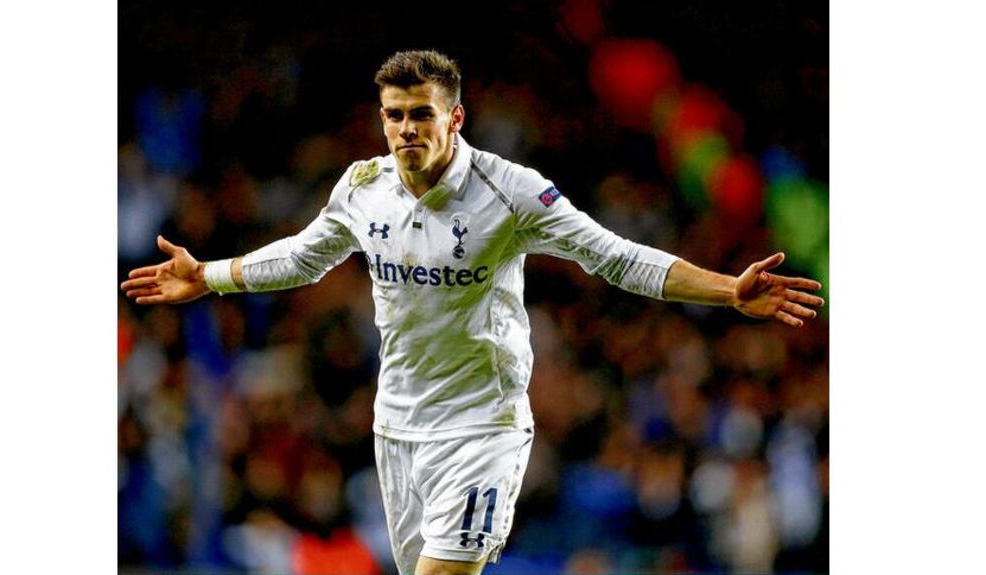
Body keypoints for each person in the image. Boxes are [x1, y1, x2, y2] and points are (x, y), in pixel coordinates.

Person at [121, 50, 824, 575]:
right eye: (393, 115)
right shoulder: (363, 187)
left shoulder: (511, 191)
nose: (405, 130)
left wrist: (727, 290)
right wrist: (208, 276)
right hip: (398, 428)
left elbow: (616, 257)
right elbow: (305, 256)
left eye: (420, 114)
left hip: (482, 427)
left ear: (454, 117)